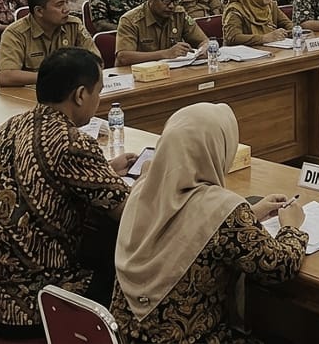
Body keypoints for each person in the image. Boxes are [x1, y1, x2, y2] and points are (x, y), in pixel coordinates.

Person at [112, 102, 307, 344]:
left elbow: (182, 227)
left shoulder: (142, 190)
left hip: (124, 337)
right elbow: (279, 266)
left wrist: (250, 214)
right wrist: (291, 227)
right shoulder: (221, 208)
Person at [0, 49, 135, 339]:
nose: (99, 100)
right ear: (81, 95)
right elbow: (129, 211)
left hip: (2, 288)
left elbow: (37, 172)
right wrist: (149, 180)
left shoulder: (9, 127)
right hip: (41, 298)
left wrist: (105, 170)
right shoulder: (71, 142)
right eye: (98, 92)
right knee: (128, 271)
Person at [0, 0, 100, 87]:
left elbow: (96, 61)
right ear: (39, 11)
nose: (67, 9)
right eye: (59, 5)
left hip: (66, 90)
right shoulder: (16, 33)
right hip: (28, 93)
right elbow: (5, 76)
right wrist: (52, 77)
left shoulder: (73, 25)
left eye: (67, 2)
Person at [116, 0, 208, 67]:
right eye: (166, 0)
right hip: (136, 73)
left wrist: (202, 50)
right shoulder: (130, 20)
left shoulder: (179, 14)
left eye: (176, 0)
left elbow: (204, 41)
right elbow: (123, 57)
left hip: (171, 71)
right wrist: (165, 54)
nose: (171, 6)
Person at [222, 0, 292, 46]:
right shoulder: (235, 11)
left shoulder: (270, 6)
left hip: (270, 50)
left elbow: (288, 25)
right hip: (245, 52)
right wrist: (264, 38)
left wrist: (289, 32)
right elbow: (233, 38)